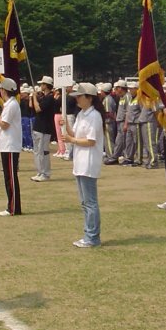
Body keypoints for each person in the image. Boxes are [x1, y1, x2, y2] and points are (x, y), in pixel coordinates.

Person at [61, 82, 104, 247]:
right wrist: (66, 127)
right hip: (80, 162)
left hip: (89, 162)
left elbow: (91, 141)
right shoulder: (82, 114)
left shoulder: (94, 116)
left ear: (89, 97)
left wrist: (72, 140)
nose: (77, 99)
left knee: (90, 201)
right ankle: (88, 234)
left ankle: (92, 237)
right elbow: (76, 134)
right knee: (84, 201)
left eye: (79, 96)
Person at [0, 77, 23, 216]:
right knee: (8, 176)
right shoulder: (9, 104)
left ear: (4, 90)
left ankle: (13, 207)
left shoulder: (12, 105)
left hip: (11, 145)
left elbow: (4, 124)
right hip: (6, 145)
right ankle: (11, 206)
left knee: (11, 177)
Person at [30, 75, 57, 181]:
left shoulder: (50, 98)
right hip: (39, 127)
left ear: (46, 85)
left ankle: (45, 173)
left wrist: (34, 97)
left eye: (42, 84)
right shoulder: (45, 97)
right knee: (38, 151)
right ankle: (40, 171)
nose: (41, 86)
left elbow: (38, 109)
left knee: (42, 151)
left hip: (44, 129)